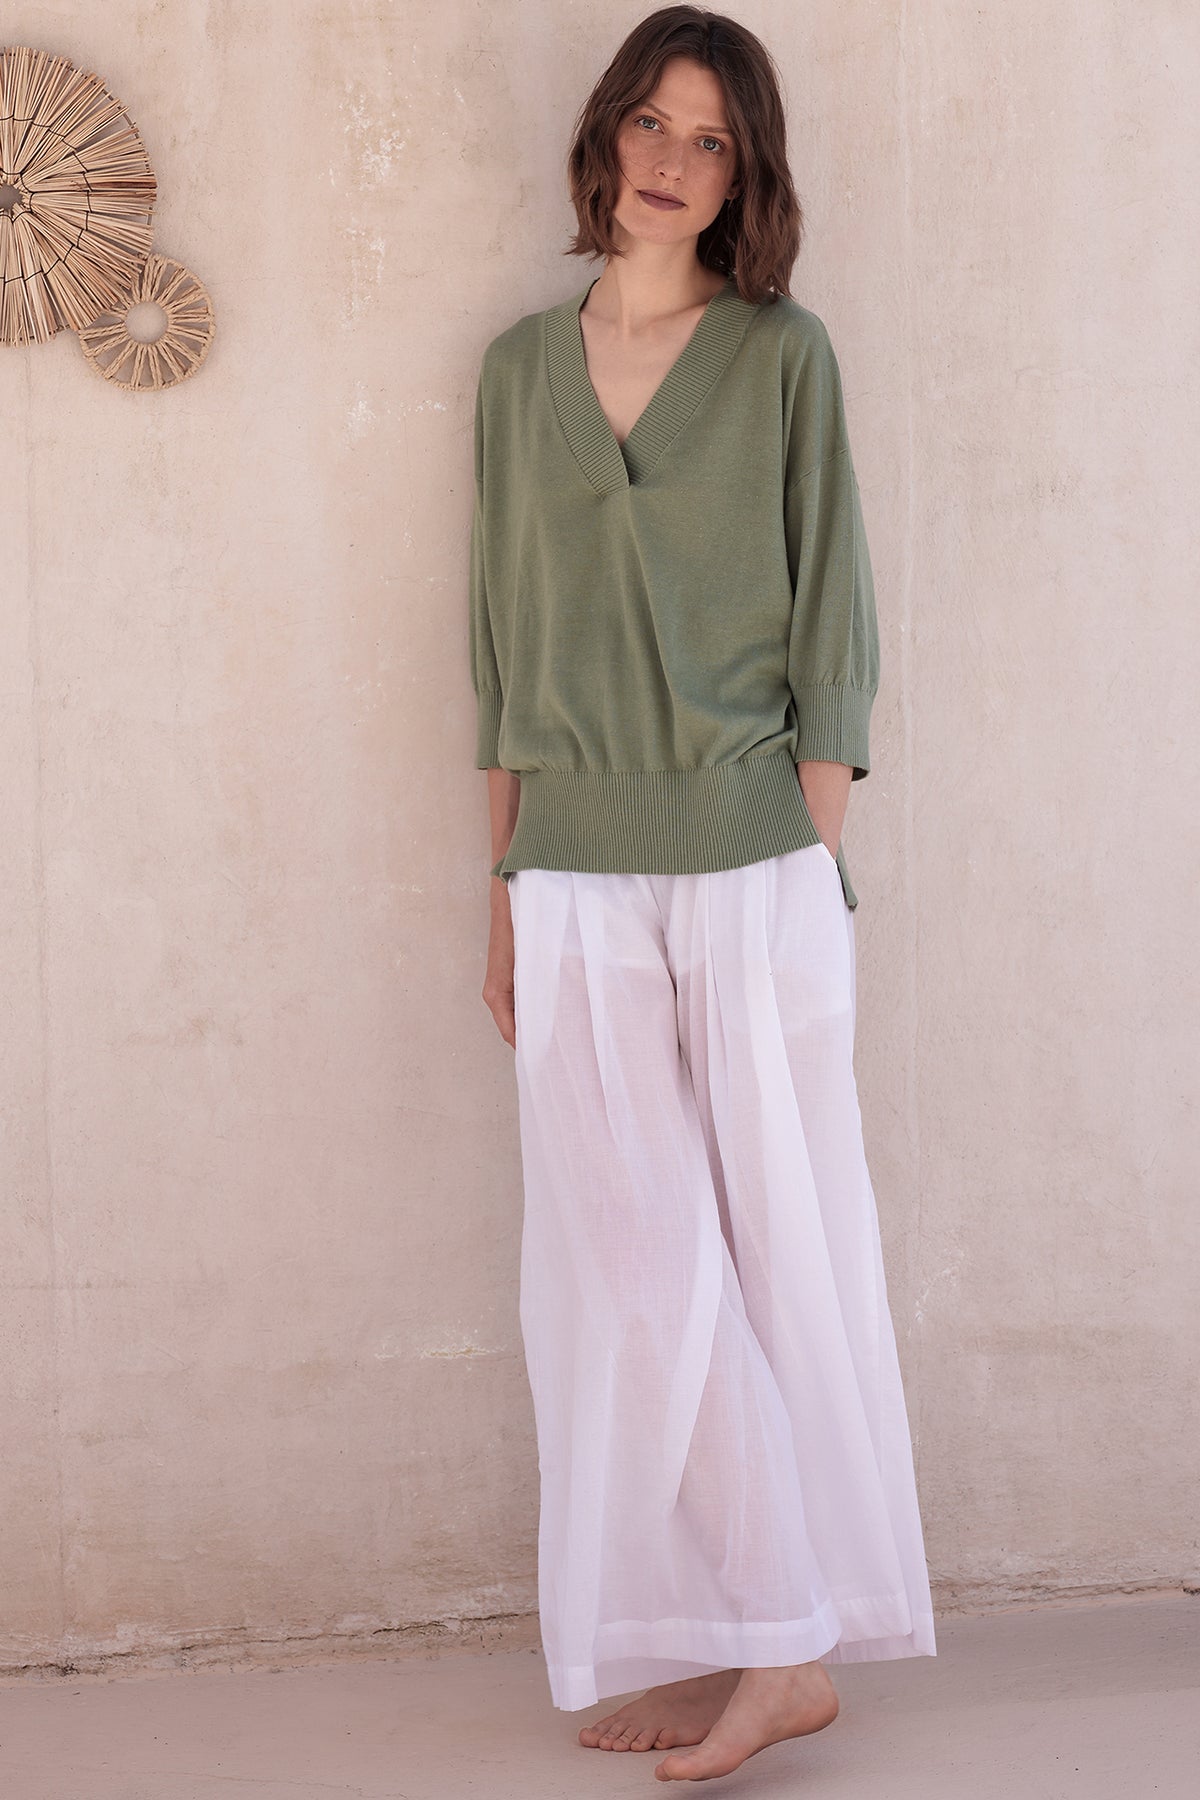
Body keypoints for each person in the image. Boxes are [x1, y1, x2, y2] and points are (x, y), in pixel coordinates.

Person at [467, 5, 936, 1782]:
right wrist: (502, 894)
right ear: (606, 136)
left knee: (773, 1256)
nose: (672, 160)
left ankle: (771, 1639)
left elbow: (836, 632)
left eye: (712, 138)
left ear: (747, 175)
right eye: (650, 124)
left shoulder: (783, 356)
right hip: (574, 871)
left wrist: (809, 860)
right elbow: (499, 660)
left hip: (753, 862)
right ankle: (773, 1639)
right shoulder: (519, 374)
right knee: (641, 1266)